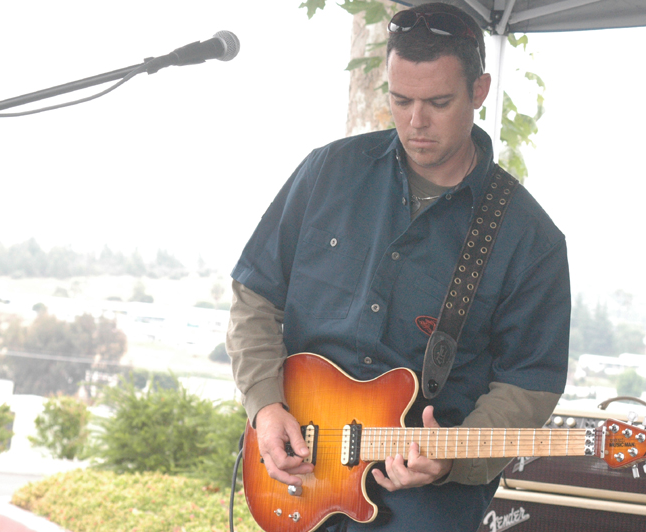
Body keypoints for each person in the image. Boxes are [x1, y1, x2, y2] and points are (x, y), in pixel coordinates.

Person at [226, 3, 570, 531]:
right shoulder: (328, 171)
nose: (415, 121)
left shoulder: (530, 237)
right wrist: (266, 406)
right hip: (298, 472)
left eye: (438, 102)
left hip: (425, 502)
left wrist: (451, 458)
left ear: (479, 91)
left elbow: (530, 382)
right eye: (401, 99)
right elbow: (255, 295)